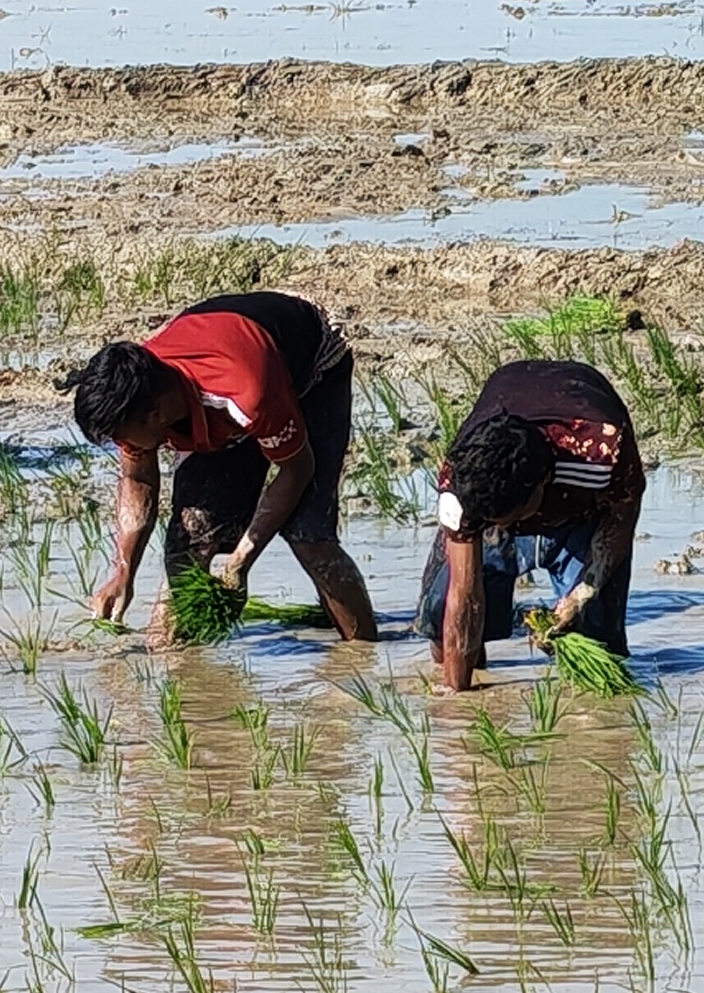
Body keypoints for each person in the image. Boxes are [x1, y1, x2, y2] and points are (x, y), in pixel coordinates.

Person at [72, 290, 380, 639]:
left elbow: (297, 469)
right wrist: (123, 574)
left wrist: (240, 561)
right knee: (190, 537)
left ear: (154, 415)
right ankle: (179, 669)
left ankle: (363, 655)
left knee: (307, 534)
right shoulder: (138, 395)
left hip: (310, 368)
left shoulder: (247, 393)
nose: (123, 446)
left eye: (123, 437)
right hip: (229, 381)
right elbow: (137, 477)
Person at [421, 357, 645, 692]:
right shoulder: (462, 481)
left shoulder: (603, 450)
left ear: (542, 483)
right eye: (496, 523)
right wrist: (457, 698)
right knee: (441, 619)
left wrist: (581, 595)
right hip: (500, 494)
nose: (508, 528)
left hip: (582, 510)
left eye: (512, 519)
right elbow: (462, 593)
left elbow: (621, 519)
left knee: (596, 645)